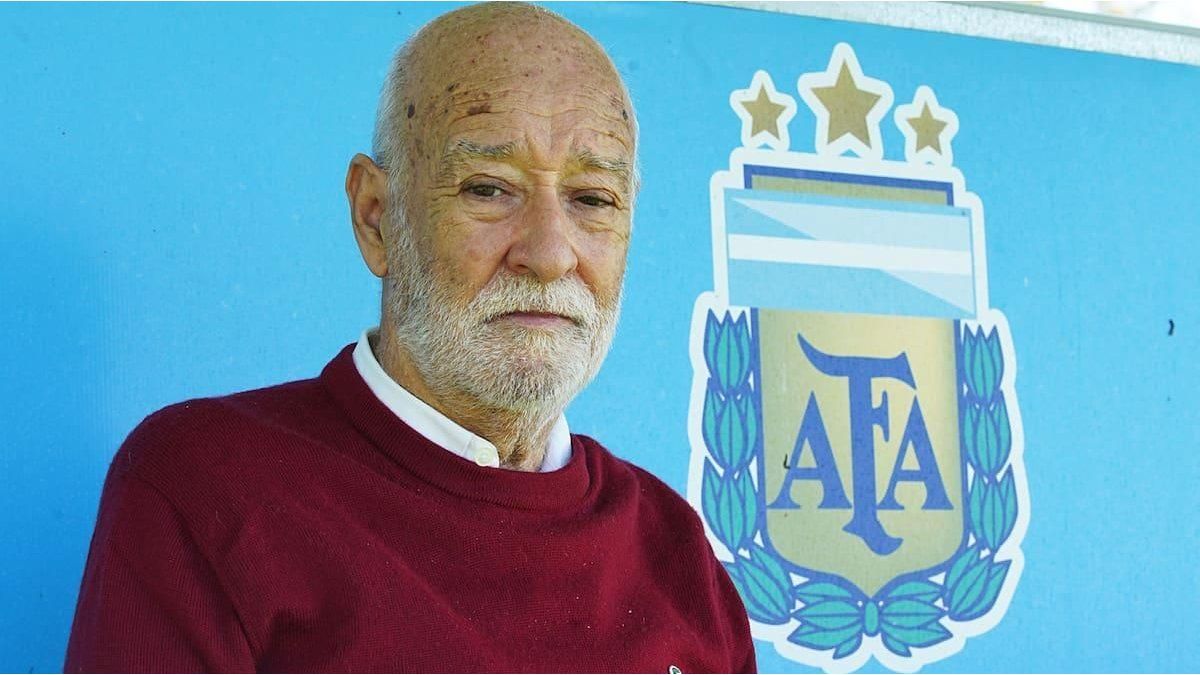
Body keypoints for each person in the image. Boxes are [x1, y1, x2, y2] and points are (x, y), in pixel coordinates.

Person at [64, 3, 755, 672]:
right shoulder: (208, 487)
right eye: (488, 188)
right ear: (375, 217)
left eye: (593, 199)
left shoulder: (676, 553)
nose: (549, 253)